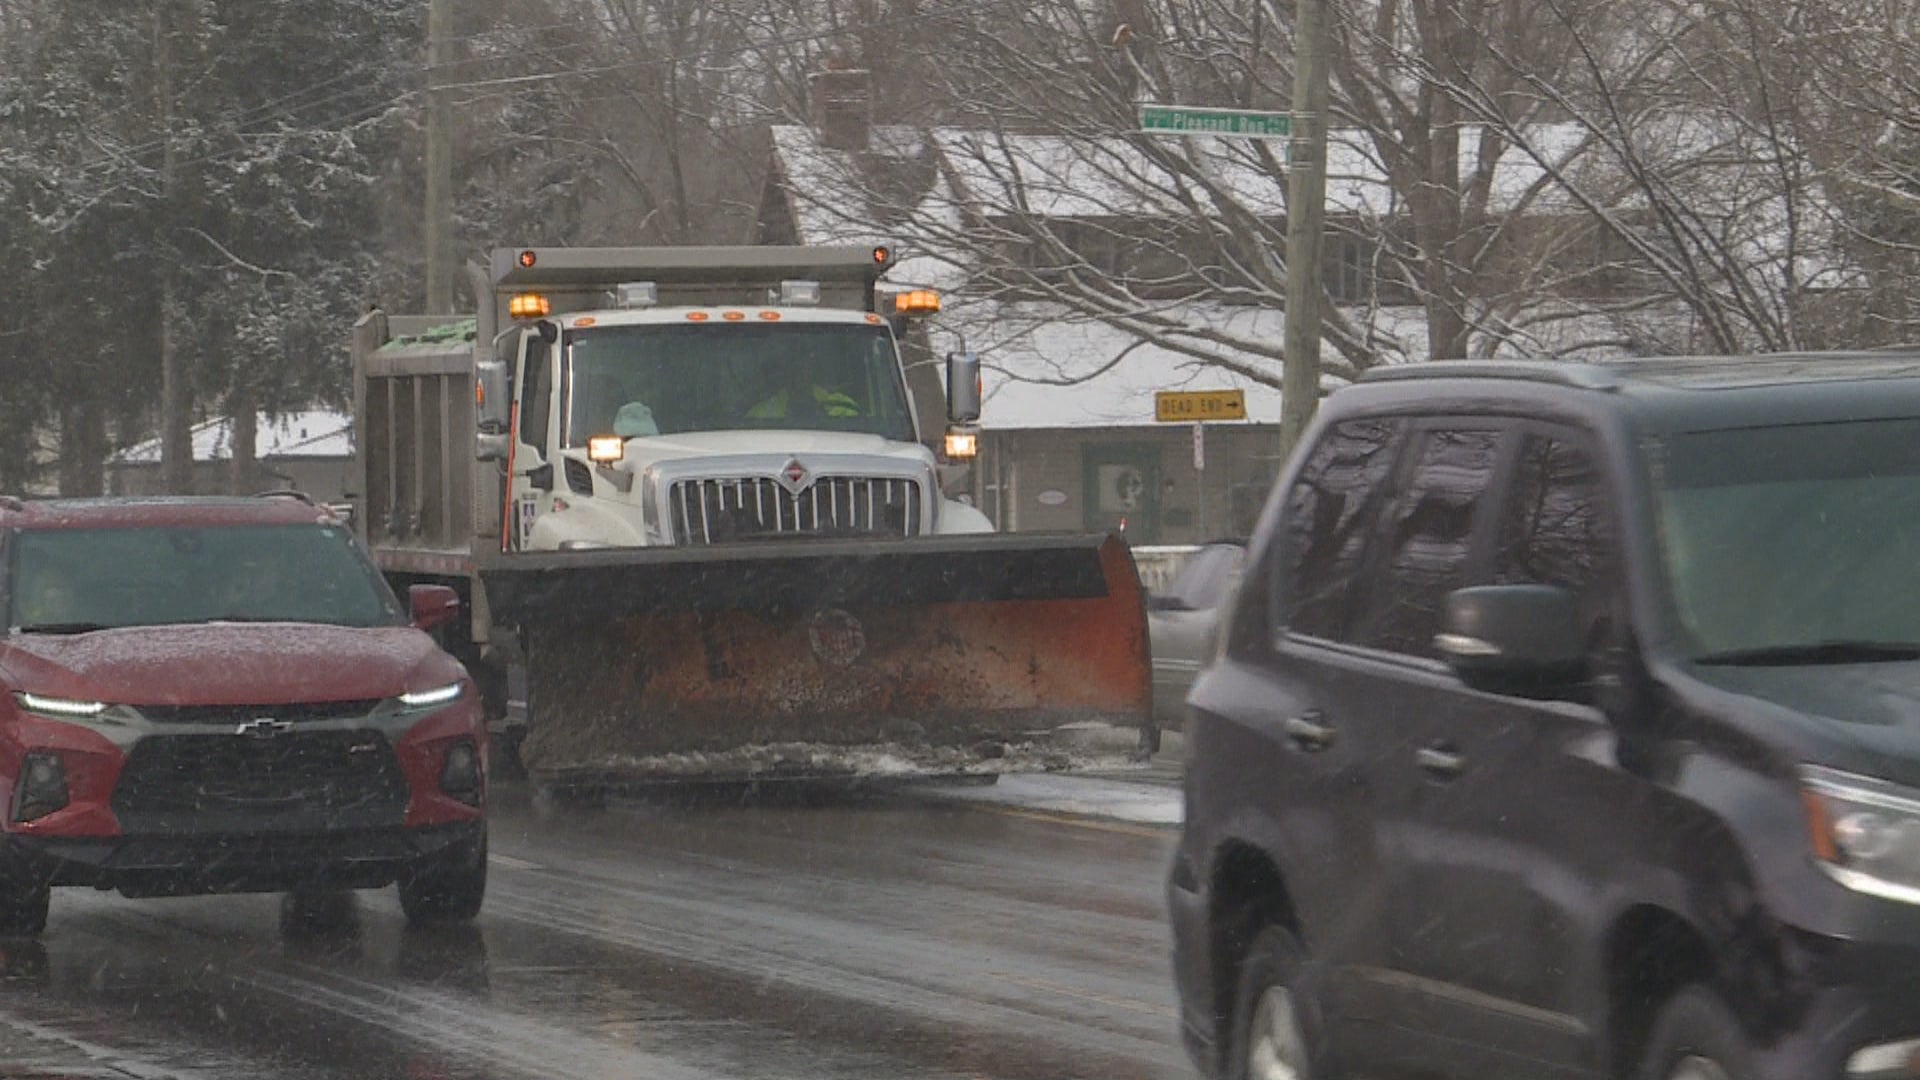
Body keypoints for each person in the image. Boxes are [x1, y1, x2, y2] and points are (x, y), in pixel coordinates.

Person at [747, 362, 860, 422]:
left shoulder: (843, 406)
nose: (799, 376)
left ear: (813, 372)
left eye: (804, 369)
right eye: (794, 369)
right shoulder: (763, 412)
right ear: (786, 374)